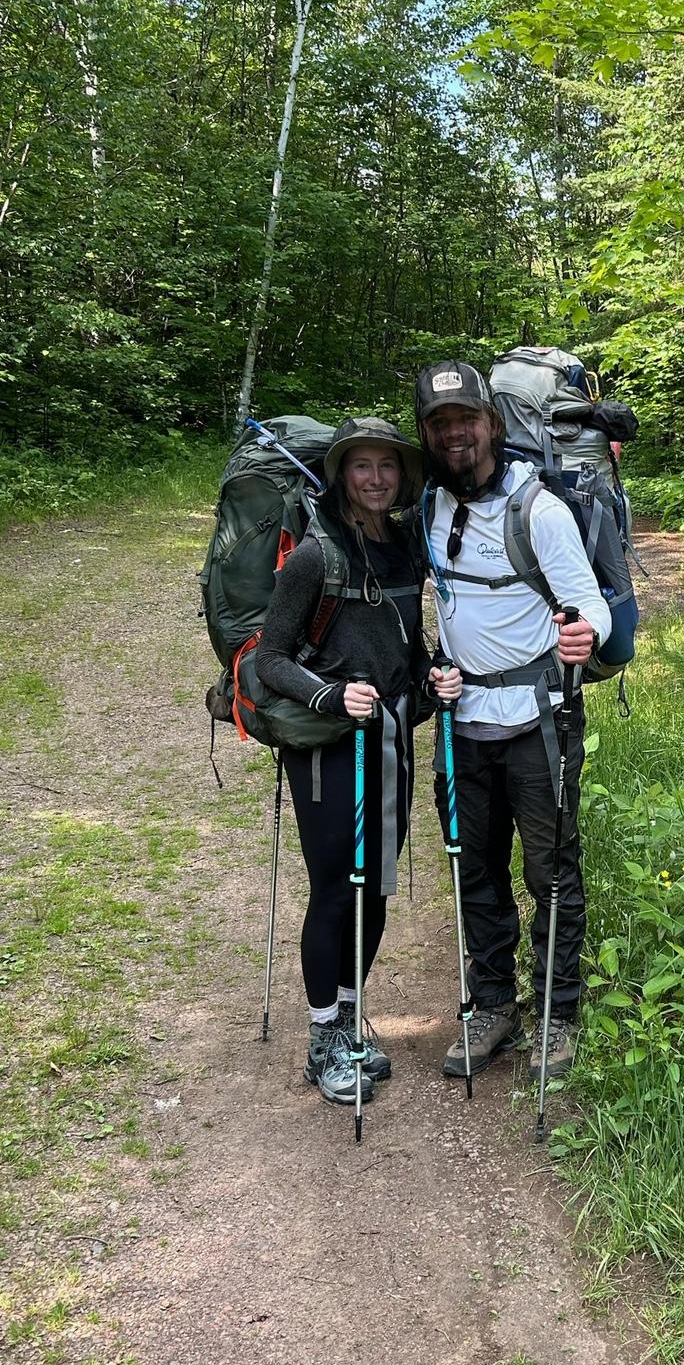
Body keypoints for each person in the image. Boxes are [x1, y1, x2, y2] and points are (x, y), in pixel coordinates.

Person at [412, 361, 609, 1083]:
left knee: (551, 872)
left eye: (466, 418)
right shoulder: (427, 506)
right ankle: (494, 1005)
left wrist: (582, 635)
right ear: (428, 437)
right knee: (476, 872)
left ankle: (558, 1014)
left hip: (540, 718)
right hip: (463, 722)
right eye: (440, 424)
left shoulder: (539, 509)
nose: (455, 433)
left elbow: (591, 604)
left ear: (492, 424)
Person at [256, 416, 431, 1104]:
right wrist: (330, 695)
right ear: (339, 473)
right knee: (336, 887)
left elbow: (406, 648)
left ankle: (352, 1016)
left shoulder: (407, 548)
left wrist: (432, 680)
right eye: (362, 466)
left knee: (376, 886)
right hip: (329, 749)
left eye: (387, 465)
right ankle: (323, 1037)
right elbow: (271, 659)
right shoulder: (314, 557)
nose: (377, 479)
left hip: (389, 737)